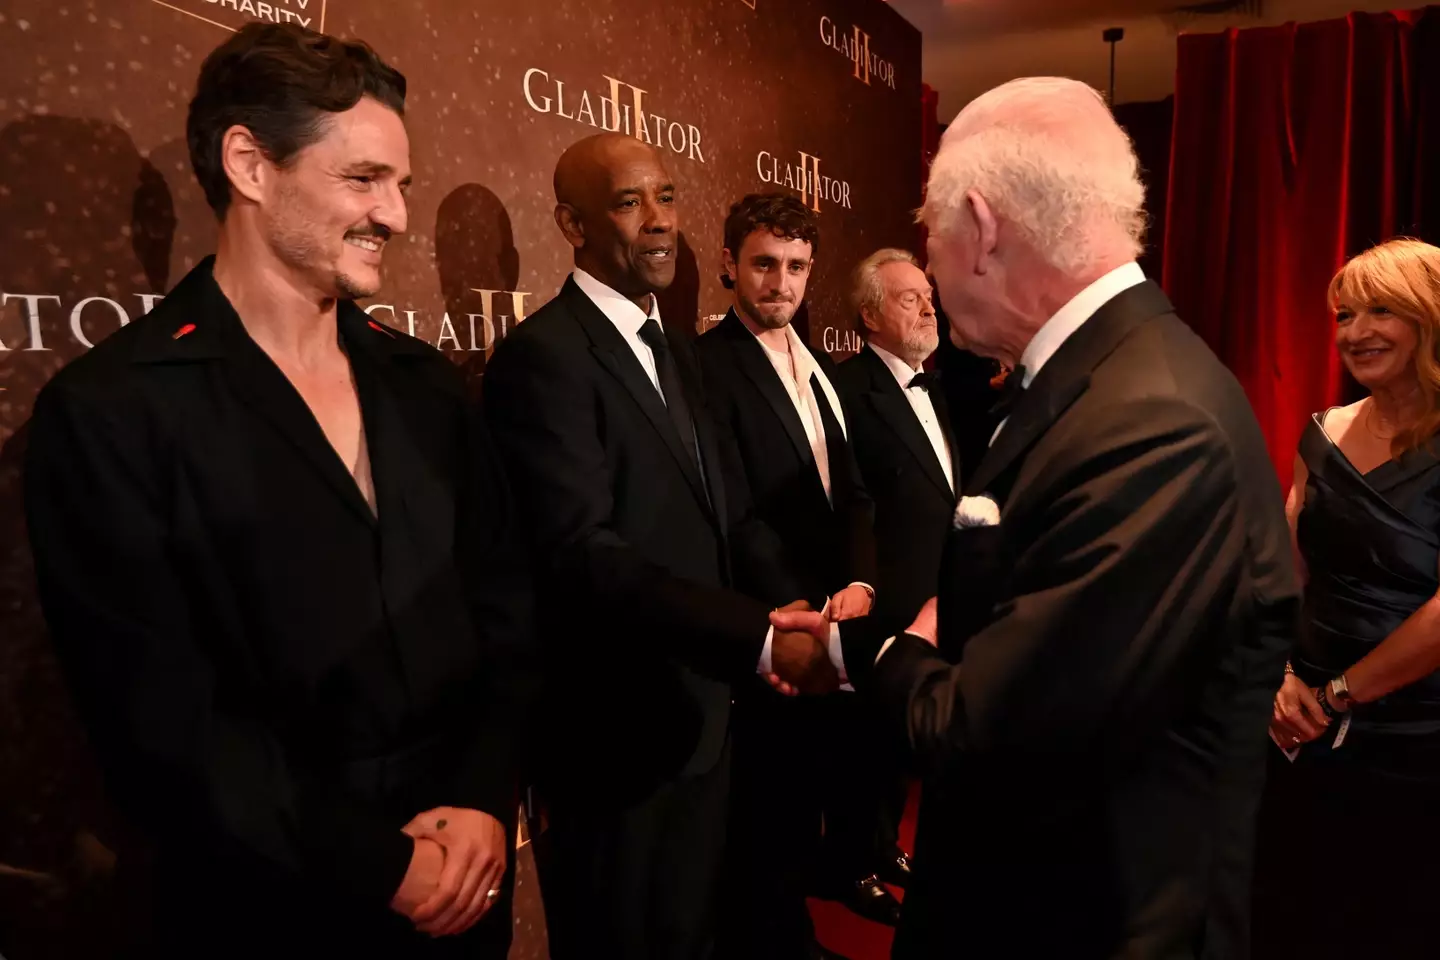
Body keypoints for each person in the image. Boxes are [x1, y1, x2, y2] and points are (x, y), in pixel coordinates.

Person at [23, 23, 530, 959]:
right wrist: (384, 866)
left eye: (402, 184)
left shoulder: (425, 385)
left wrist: (483, 799)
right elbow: (159, 721)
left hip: (466, 891)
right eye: (363, 179)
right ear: (250, 165)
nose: (397, 216)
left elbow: (502, 608)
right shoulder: (110, 412)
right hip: (262, 909)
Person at [770, 76, 1299, 958]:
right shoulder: (1110, 376)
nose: (931, 271)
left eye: (930, 236)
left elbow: (987, 735)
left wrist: (874, 651)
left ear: (981, 229)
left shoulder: (1149, 421)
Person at [481, 134, 831, 960]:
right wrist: (757, 637)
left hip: (705, 721)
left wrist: (801, 609)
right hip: (613, 742)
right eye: (629, 202)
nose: (659, 221)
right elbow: (584, 554)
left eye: (667, 197)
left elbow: (732, 515)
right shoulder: (542, 358)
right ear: (573, 224)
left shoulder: (676, 347)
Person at [694, 195, 895, 956]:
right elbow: (733, 511)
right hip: (775, 627)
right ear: (729, 264)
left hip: (838, 620)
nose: (781, 283)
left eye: (797, 267)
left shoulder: (819, 365)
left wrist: (863, 584)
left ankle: (793, 935)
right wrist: (797, 608)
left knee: (813, 791)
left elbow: (856, 493)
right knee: (769, 808)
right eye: (765, 264)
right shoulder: (708, 366)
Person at [1253, 238, 1440, 960]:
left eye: (1380, 310)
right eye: (1343, 316)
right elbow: (1279, 569)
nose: (1356, 332)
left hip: (1417, 741)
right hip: (1297, 724)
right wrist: (1278, 674)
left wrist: (1338, 695)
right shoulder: (1323, 432)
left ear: (1428, 318)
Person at [835, 249, 960, 635]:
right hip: (889, 617)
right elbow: (849, 505)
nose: (929, 309)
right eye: (910, 299)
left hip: (949, 603)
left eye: (929, 297)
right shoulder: (845, 391)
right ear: (870, 316)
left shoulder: (937, 389)